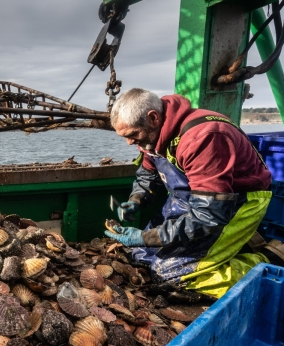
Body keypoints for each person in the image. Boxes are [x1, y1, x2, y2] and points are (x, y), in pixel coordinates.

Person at [104, 88, 272, 298]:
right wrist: (137, 198)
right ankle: (230, 246)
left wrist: (147, 236)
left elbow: (210, 215)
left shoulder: (204, 136)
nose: (129, 142)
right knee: (140, 256)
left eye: (132, 135)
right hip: (189, 200)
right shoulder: (150, 136)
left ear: (153, 118)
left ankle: (267, 261)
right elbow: (148, 175)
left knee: (173, 277)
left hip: (235, 203)